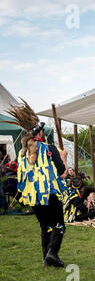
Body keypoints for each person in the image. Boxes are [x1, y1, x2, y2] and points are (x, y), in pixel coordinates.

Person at [1, 99, 68, 267]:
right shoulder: (50, 149)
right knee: (59, 224)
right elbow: (62, 173)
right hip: (50, 194)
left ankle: (46, 258)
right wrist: (64, 159)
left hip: (33, 197)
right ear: (39, 134)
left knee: (45, 225)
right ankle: (52, 253)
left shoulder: (22, 154)